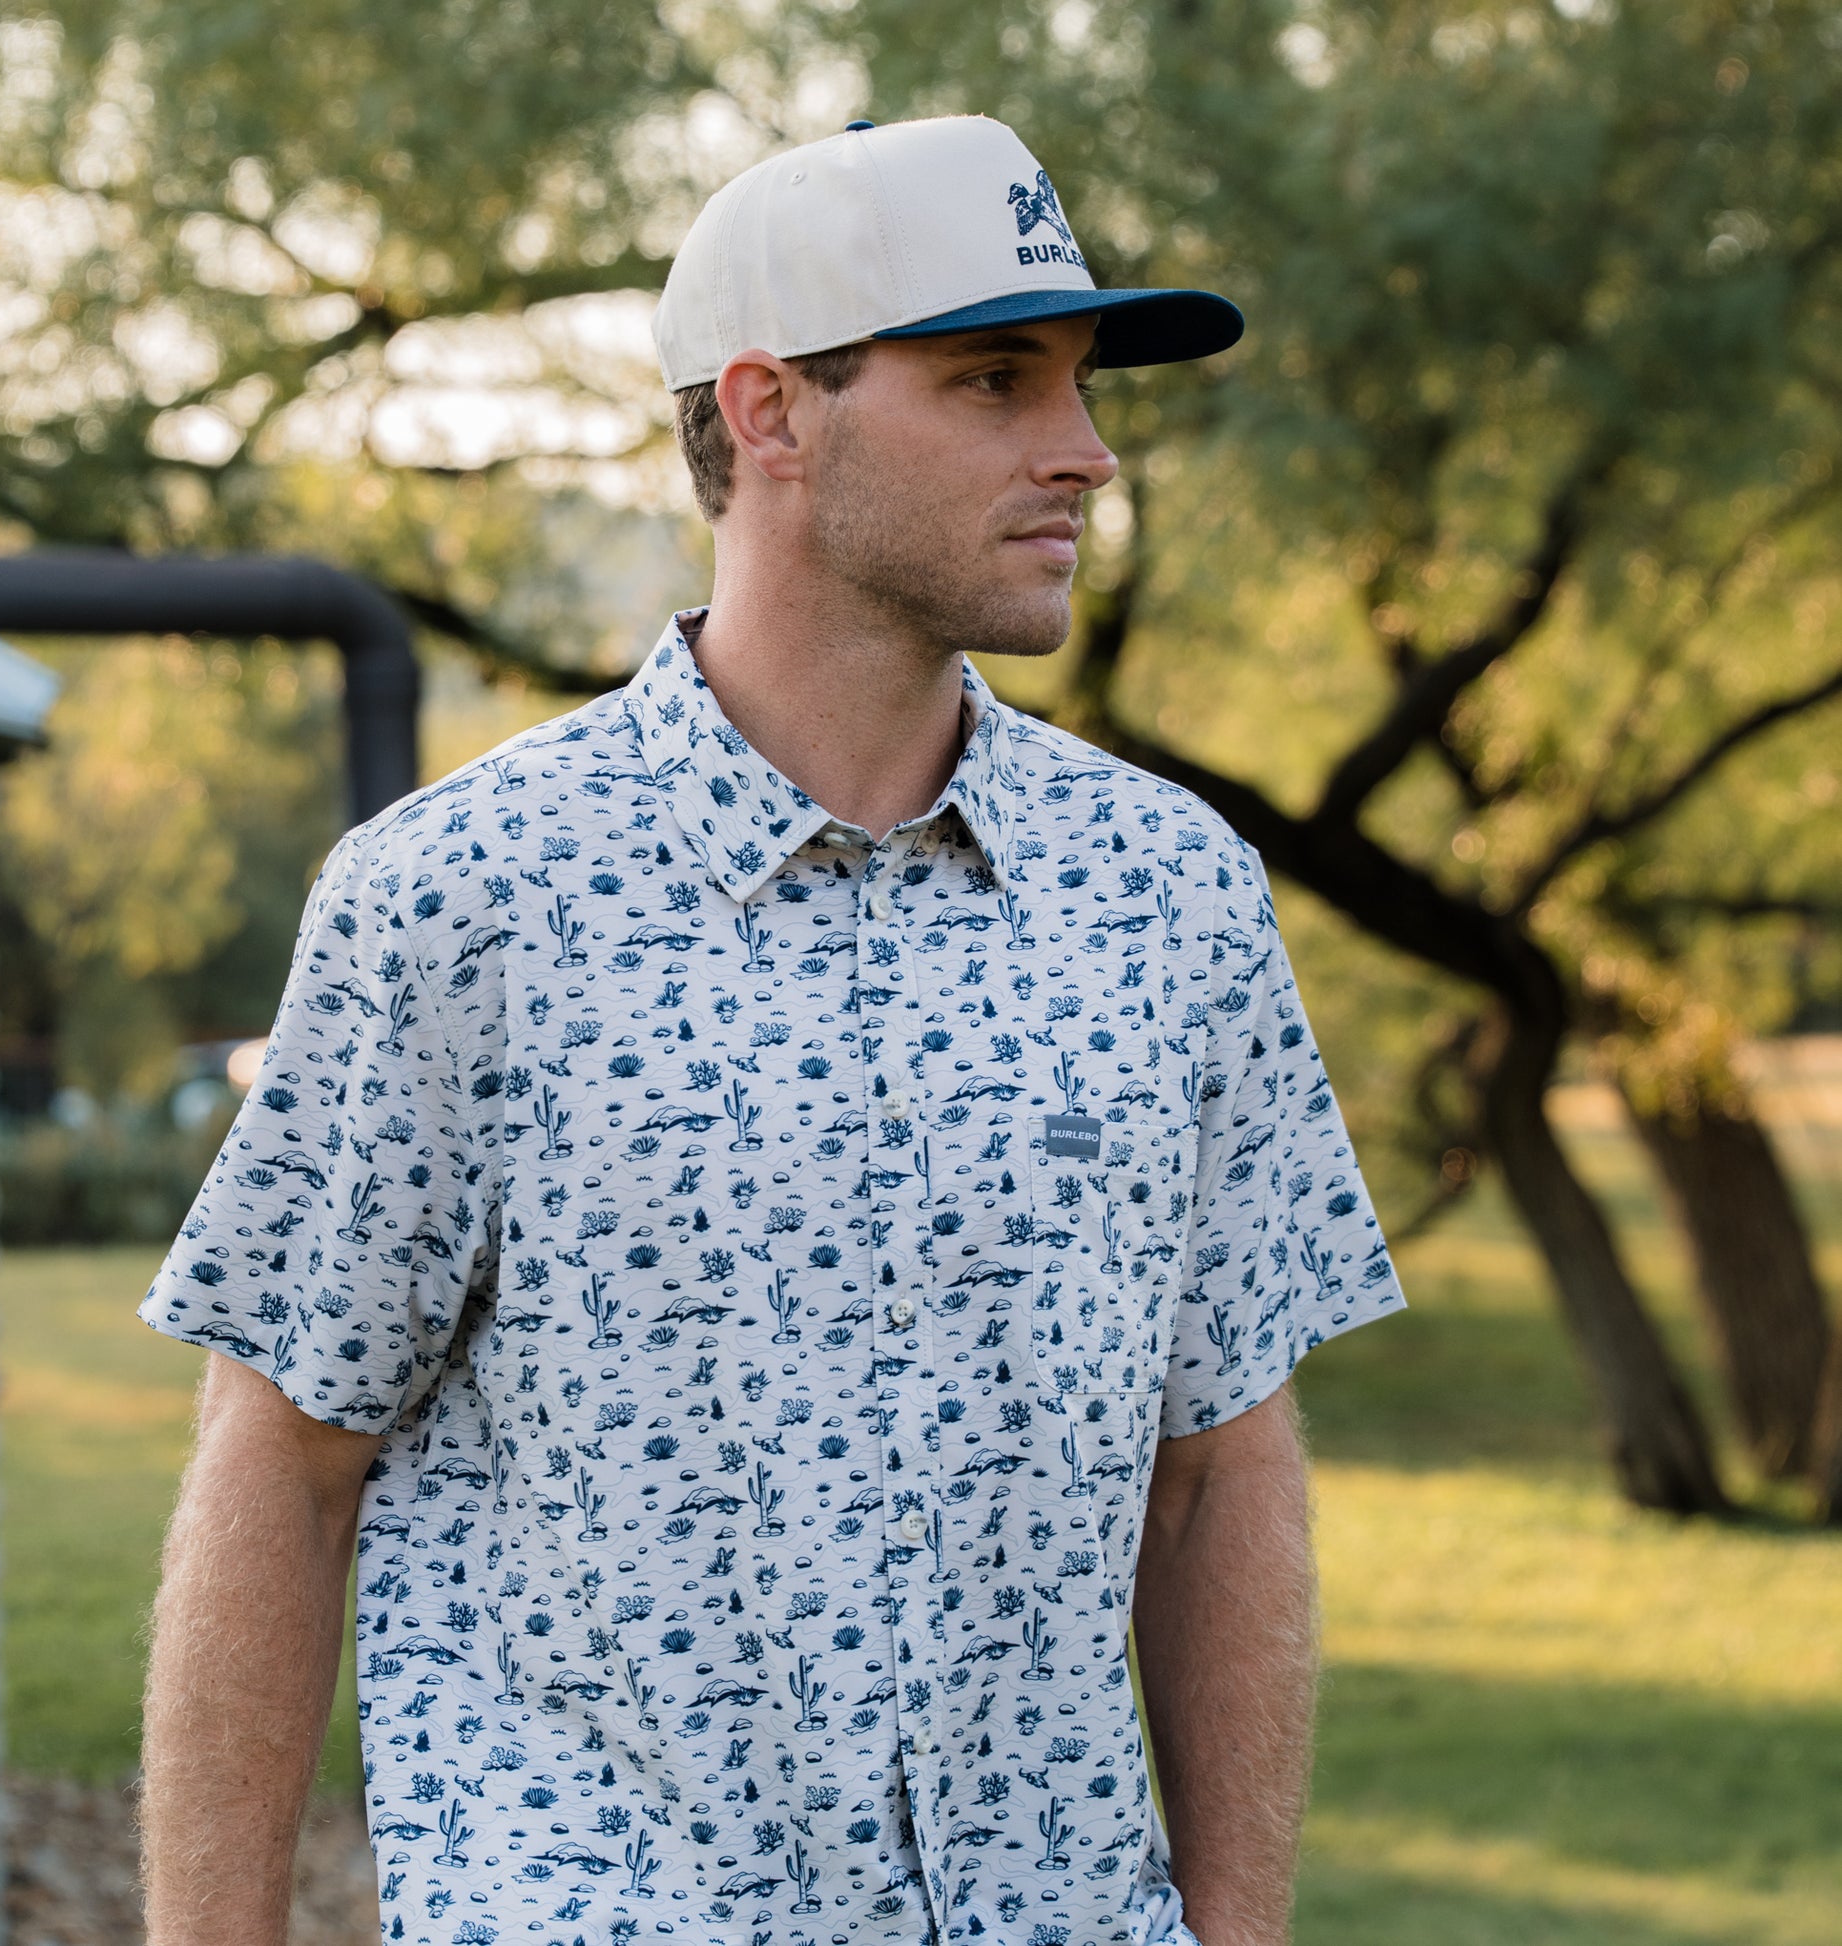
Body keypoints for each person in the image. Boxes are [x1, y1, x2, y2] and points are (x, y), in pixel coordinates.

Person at [137, 114, 1405, 1946]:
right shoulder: (462, 899)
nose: (1086, 449)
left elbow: (1218, 1467)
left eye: (1080, 385)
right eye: (995, 381)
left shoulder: (1171, 896)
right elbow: (283, 1460)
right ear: (769, 412)